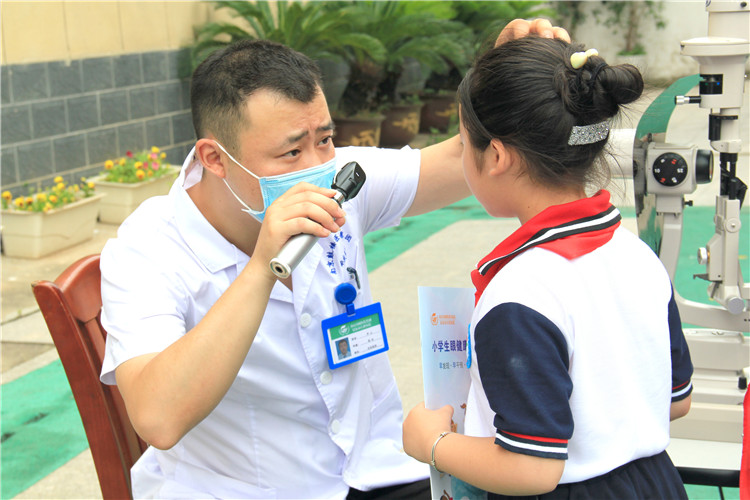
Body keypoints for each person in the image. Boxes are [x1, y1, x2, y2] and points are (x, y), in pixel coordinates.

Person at [99, 18, 568, 499]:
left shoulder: (341, 179)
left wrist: (497, 84)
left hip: (373, 470)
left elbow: (459, 160)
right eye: (290, 152)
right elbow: (158, 418)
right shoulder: (147, 249)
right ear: (215, 159)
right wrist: (262, 267)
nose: (316, 168)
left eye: (323, 139)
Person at [402, 37, 694, 499]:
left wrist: (432, 443)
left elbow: (531, 469)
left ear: (496, 156)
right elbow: (677, 400)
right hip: (656, 483)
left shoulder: (521, 293)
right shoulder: (638, 256)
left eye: (463, 143)